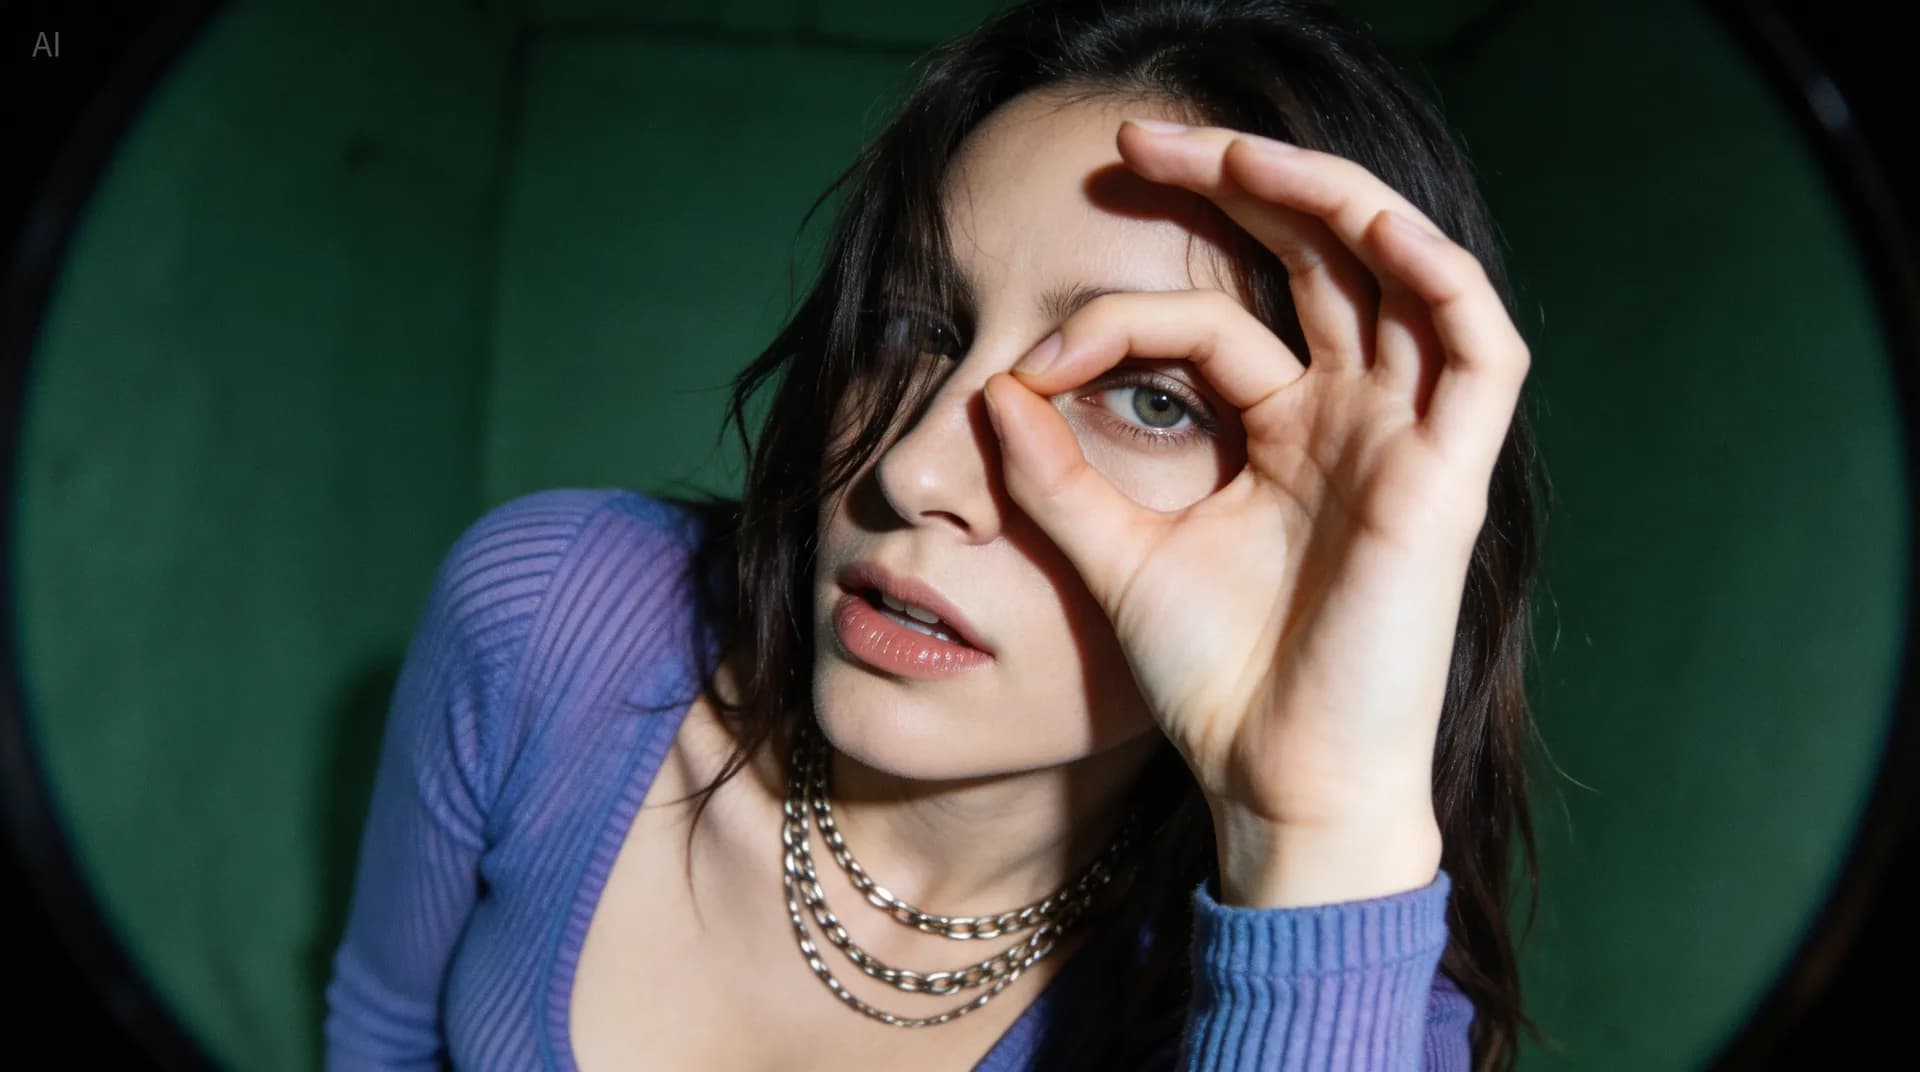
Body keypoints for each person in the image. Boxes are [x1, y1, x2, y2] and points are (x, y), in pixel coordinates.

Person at [323, 0, 1542, 1068]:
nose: (912, 470)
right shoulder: (550, 620)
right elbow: (381, 1036)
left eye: (1149, 399)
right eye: (916, 326)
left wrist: (1308, 825)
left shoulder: (1364, 1015)